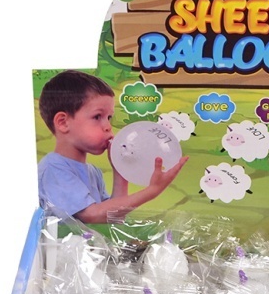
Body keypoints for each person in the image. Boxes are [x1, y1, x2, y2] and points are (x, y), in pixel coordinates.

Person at [37, 70, 188, 223]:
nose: (108, 126)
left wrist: (121, 170)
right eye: (97, 116)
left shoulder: (93, 172)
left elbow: (113, 218)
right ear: (63, 122)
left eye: (109, 118)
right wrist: (152, 191)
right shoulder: (53, 169)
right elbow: (92, 215)